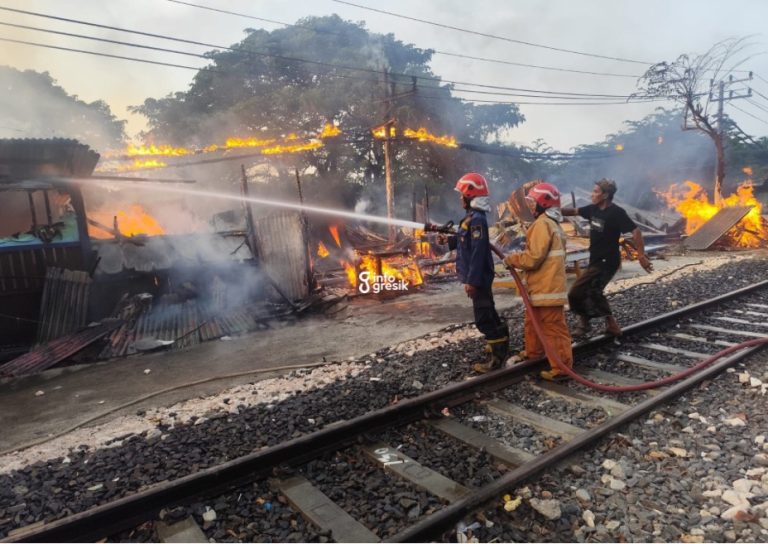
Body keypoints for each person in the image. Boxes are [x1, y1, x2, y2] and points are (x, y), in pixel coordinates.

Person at [561, 178, 653, 337]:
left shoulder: (616, 212)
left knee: (575, 292)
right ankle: (608, 325)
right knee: (593, 291)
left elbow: (636, 231)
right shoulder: (593, 209)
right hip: (596, 259)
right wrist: (550, 210)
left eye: (595, 192)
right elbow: (573, 211)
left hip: (608, 261)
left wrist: (641, 255)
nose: (592, 194)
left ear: (605, 195)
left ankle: (586, 323)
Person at [503, 182, 573, 381]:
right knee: (532, 322)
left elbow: (533, 258)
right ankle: (534, 354)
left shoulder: (542, 224)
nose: (531, 207)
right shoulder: (552, 224)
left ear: (544, 204)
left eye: (534, 203)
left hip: (547, 288)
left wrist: (512, 259)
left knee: (553, 328)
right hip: (541, 288)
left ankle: (562, 370)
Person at [448, 173, 509, 373]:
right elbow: (463, 239)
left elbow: (478, 251)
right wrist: (448, 241)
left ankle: (497, 359)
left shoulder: (477, 220)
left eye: (462, 194)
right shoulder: (471, 218)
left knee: (483, 318)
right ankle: (500, 344)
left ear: (470, 196)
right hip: (478, 276)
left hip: (479, 278)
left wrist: (472, 281)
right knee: (488, 311)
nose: (460, 198)